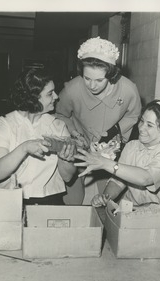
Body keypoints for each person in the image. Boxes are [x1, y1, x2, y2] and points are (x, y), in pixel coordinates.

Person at [55, 36, 142, 204]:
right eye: (87, 78)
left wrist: (116, 133)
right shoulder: (72, 90)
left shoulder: (128, 90)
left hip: (109, 152)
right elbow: (61, 115)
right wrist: (74, 134)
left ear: (111, 74)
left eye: (99, 80)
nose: (92, 86)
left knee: (105, 202)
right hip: (79, 148)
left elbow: (133, 115)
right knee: (73, 203)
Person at [0, 68, 77, 206]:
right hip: (10, 200)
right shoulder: (6, 124)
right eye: (50, 93)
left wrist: (65, 159)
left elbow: (67, 177)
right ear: (33, 97)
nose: (56, 96)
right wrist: (24, 147)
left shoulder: (58, 126)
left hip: (49, 200)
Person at [74, 100, 160, 207]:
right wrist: (105, 197)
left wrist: (105, 163)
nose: (141, 128)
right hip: (134, 212)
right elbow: (118, 182)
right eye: (141, 121)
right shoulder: (132, 146)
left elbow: (146, 178)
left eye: (149, 125)